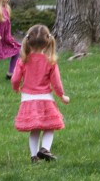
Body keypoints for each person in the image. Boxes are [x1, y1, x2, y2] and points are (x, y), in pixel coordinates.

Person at [11, 24, 70, 163]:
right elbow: (56, 83)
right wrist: (62, 96)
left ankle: (34, 157)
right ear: (48, 41)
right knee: (50, 126)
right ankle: (45, 149)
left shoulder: (23, 61)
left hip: (28, 99)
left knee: (34, 129)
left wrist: (15, 88)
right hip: (45, 99)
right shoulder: (50, 61)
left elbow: (15, 79)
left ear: (28, 40)